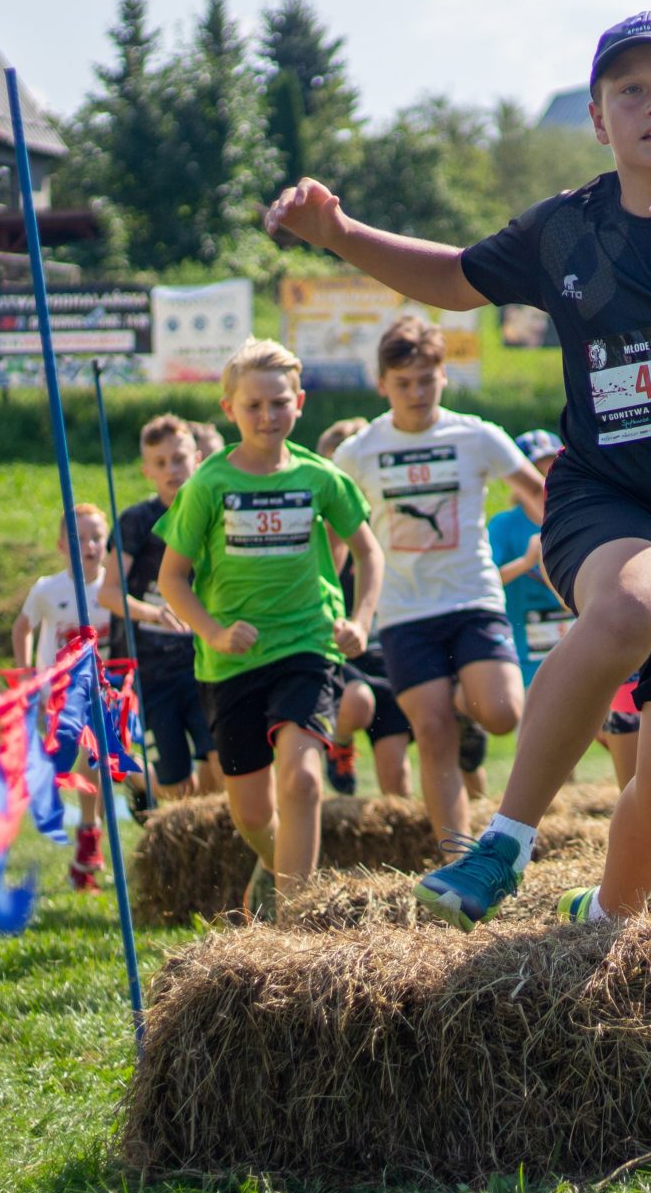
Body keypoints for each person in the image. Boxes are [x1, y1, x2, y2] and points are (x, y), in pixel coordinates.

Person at [264, 11, 651, 927]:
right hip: (606, 496)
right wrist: (341, 232)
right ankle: (504, 841)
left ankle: (601, 923)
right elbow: (455, 277)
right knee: (633, 602)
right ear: (599, 119)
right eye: (631, 90)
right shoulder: (568, 228)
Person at [155, 339, 382, 919]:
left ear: (299, 403)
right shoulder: (207, 485)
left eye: (278, 403)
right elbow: (173, 578)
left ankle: (295, 924)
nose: (267, 416)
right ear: (229, 409)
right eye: (253, 405)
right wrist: (213, 632)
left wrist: (359, 620)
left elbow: (369, 552)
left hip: (307, 644)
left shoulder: (319, 476)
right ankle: (285, 864)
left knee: (303, 780)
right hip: (230, 663)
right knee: (253, 814)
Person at [329, 316, 542, 833]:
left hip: (473, 598)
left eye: (428, 380)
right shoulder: (357, 453)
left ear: (444, 377)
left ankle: (457, 688)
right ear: (382, 384)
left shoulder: (475, 436)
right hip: (405, 611)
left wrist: (562, 541)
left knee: (501, 714)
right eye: (403, 383)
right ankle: (455, 854)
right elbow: (334, 535)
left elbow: (539, 492)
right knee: (432, 732)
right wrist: (333, 606)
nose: (417, 392)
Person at [490, 428, 641, 788]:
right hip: (528, 640)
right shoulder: (503, 526)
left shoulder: (579, 515)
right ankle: (561, 803)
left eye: (550, 468)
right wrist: (526, 562)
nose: (544, 478)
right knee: (549, 723)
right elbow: (486, 581)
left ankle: (628, 775)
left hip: (579, 628)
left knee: (605, 719)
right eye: (535, 470)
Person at [98, 414, 222, 803]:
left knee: (223, 763)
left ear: (197, 458)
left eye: (179, 458)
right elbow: (108, 593)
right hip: (149, 669)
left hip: (203, 661)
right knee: (177, 784)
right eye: (161, 463)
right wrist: (154, 613)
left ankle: (224, 848)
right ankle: (139, 782)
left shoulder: (215, 512)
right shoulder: (136, 521)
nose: (172, 470)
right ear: (146, 470)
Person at [13, 503, 113, 890]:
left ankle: (89, 839)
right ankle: (88, 838)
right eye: (78, 539)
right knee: (86, 761)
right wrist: (25, 673)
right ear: (61, 545)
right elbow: (22, 627)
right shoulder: (47, 590)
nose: (88, 546)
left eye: (96, 538)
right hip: (55, 696)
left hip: (101, 692)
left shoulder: (113, 591)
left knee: (100, 760)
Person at [315, 417, 414, 799]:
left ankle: (404, 854)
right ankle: (339, 744)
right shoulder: (317, 529)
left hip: (387, 646)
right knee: (358, 702)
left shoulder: (389, 521)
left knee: (397, 778)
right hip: (342, 651)